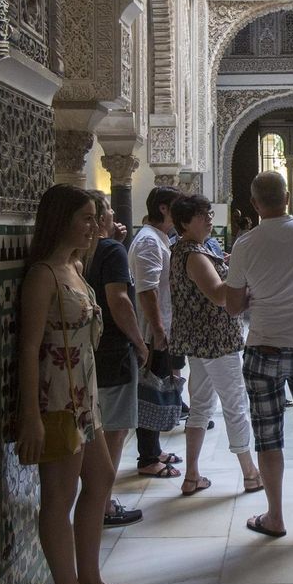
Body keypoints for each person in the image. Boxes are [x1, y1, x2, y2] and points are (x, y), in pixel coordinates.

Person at [15, 184, 134, 584]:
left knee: (101, 478)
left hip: (84, 398)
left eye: (94, 217)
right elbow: (29, 349)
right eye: (85, 218)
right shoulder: (43, 275)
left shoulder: (76, 268)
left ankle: (90, 581)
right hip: (57, 400)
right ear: (61, 220)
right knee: (58, 496)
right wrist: (30, 415)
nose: (94, 225)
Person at [223, 171, 293, 538]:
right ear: (287, 198)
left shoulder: (244, 244)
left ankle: (275, 517)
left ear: (255, 204)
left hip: (264, 349)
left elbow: (233, 306)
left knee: (268, 438)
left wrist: (255, 294)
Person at [168, 194, 264, 495]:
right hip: (216, 342)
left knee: (200, 406)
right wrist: (244, 276)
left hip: (200, 341)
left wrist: (227, 265)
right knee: (235, 405)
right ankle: (250, 473)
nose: (209, 219)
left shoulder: (188, 249)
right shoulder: (194, 254)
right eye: (202, 215)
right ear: (185, 222)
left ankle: (192, 475)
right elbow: (220, 295)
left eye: (209, 213)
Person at [81, 190, 149, 528]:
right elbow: (119, 300)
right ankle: (104, 503)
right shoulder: (110, 251)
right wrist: (139, 341)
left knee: (96, 426)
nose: (112, 213)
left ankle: (95, 499)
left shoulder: (84, 251)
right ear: (99, 217)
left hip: (87, 352)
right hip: (113, 351)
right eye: (107, 208)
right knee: (115, 429)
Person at [128, 186, 184, 478]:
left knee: (158, 387)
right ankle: (148, 458)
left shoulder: (158, 238)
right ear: (163, 208)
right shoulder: (149, 241)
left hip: (160, 329)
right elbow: (147, 290)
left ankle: (155, 450)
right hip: (152, 331)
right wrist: (158, 330)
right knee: (150, 391)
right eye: (178, 206)